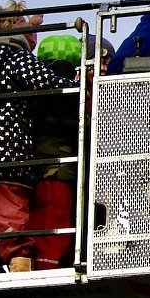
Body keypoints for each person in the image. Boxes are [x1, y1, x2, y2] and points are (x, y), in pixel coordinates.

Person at [0, 1, 77, 275]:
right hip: (8, 151)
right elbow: (50, 85)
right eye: (25, 25)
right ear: (11, 27)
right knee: (9, 219)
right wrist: (82, 86)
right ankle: (20, 267)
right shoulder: (14, 57)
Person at [29, 33, 114, 270]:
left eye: (109, 63)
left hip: (84, 178)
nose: (105, 68)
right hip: (57, 172)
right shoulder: (68, 92)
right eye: (101, 61)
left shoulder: (106, 97)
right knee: (53, 224)